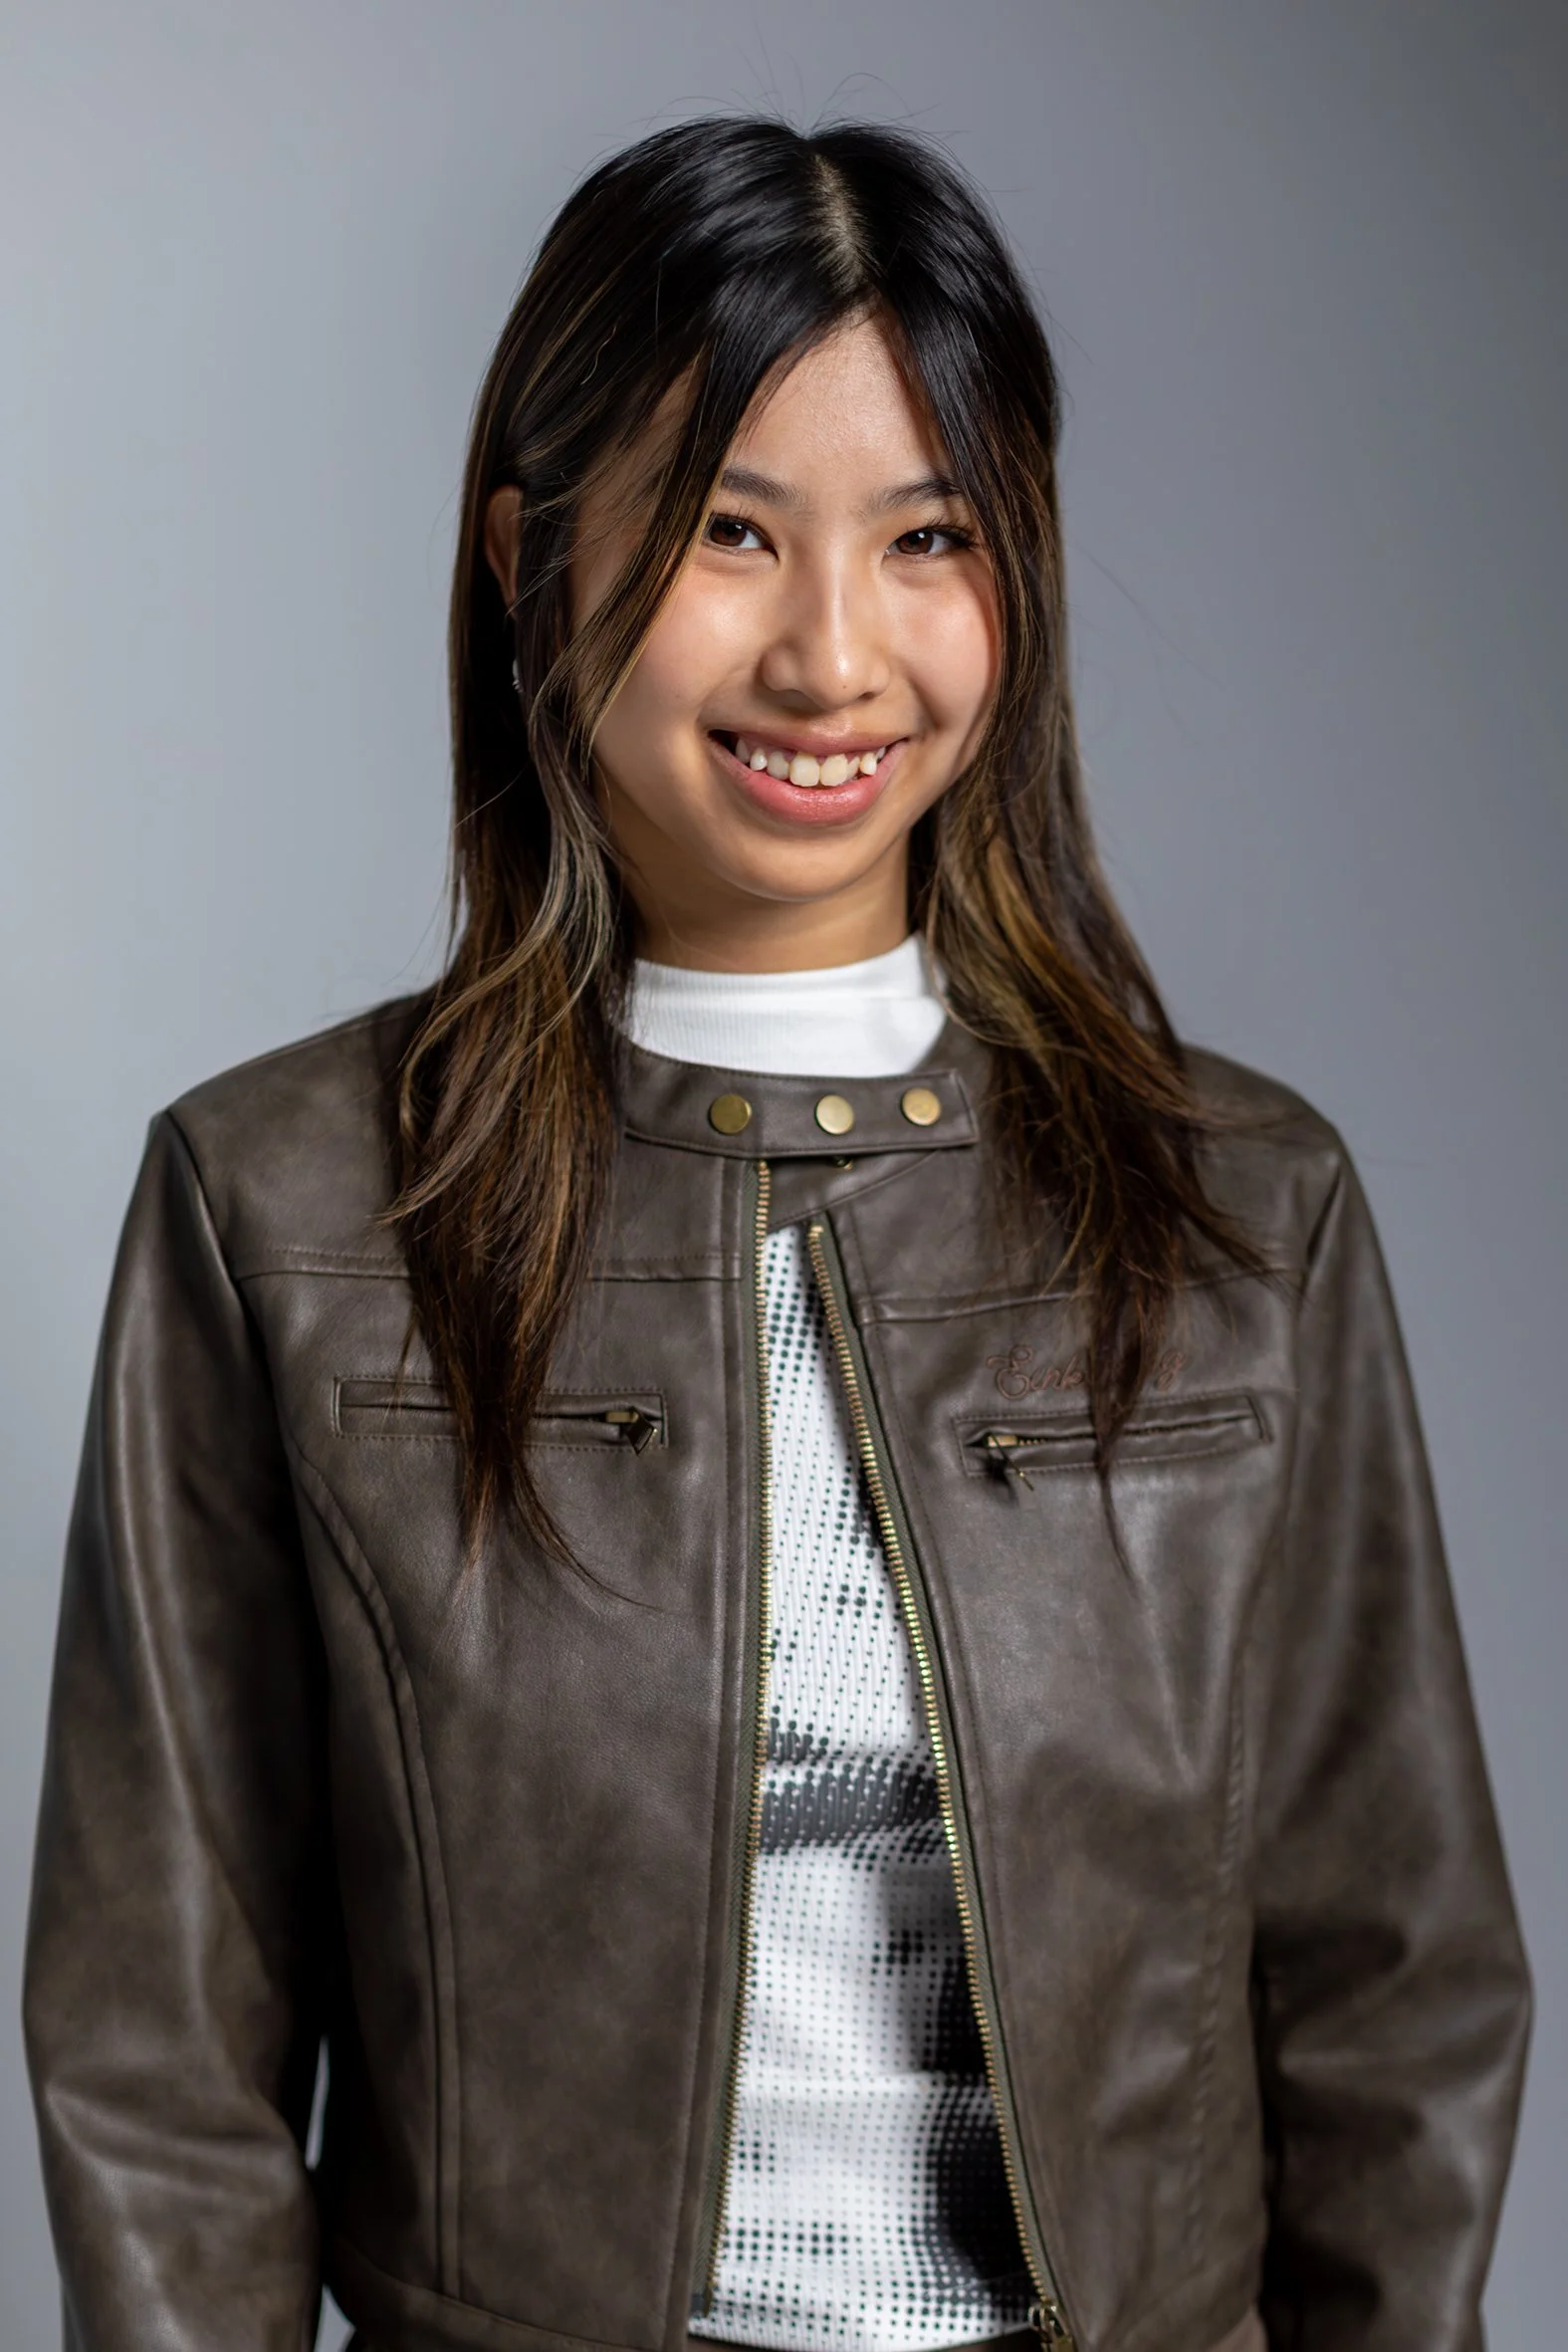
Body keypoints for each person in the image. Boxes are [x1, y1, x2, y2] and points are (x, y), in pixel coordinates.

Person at [24, 116, 1528, 2352]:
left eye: (928, 539)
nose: (834, 654)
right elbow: (159, 2057)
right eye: (731, 531)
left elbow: (1394, 2001)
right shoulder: (285, 1206)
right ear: (534, 558)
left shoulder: (1242, 1210)